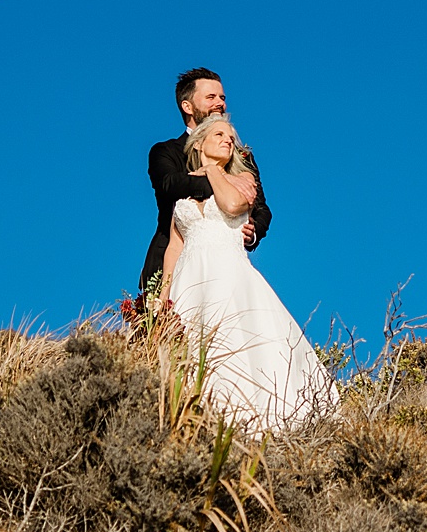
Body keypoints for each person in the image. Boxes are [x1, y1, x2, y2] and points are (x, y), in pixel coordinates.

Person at [162, 114, 333, 429]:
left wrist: (214, 170)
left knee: (235, 339)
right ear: (198, 143)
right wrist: (163, 297)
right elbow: (174, 245)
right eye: (219, 134)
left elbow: (230, 205)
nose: (228, 140)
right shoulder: (183, 189)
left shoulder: (242, 179)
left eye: (231, 137)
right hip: (190, 276)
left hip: (228, 272)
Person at [139, 68, 269, 297]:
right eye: (211, 97)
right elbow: (170, 185)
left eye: (222, 98)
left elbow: (260, 206)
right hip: (168, 264)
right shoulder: (166, 151)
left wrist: (254, 230)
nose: (220, 103)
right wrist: (222, 179)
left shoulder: (241, 156)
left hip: (224, 267)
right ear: (187, 106)